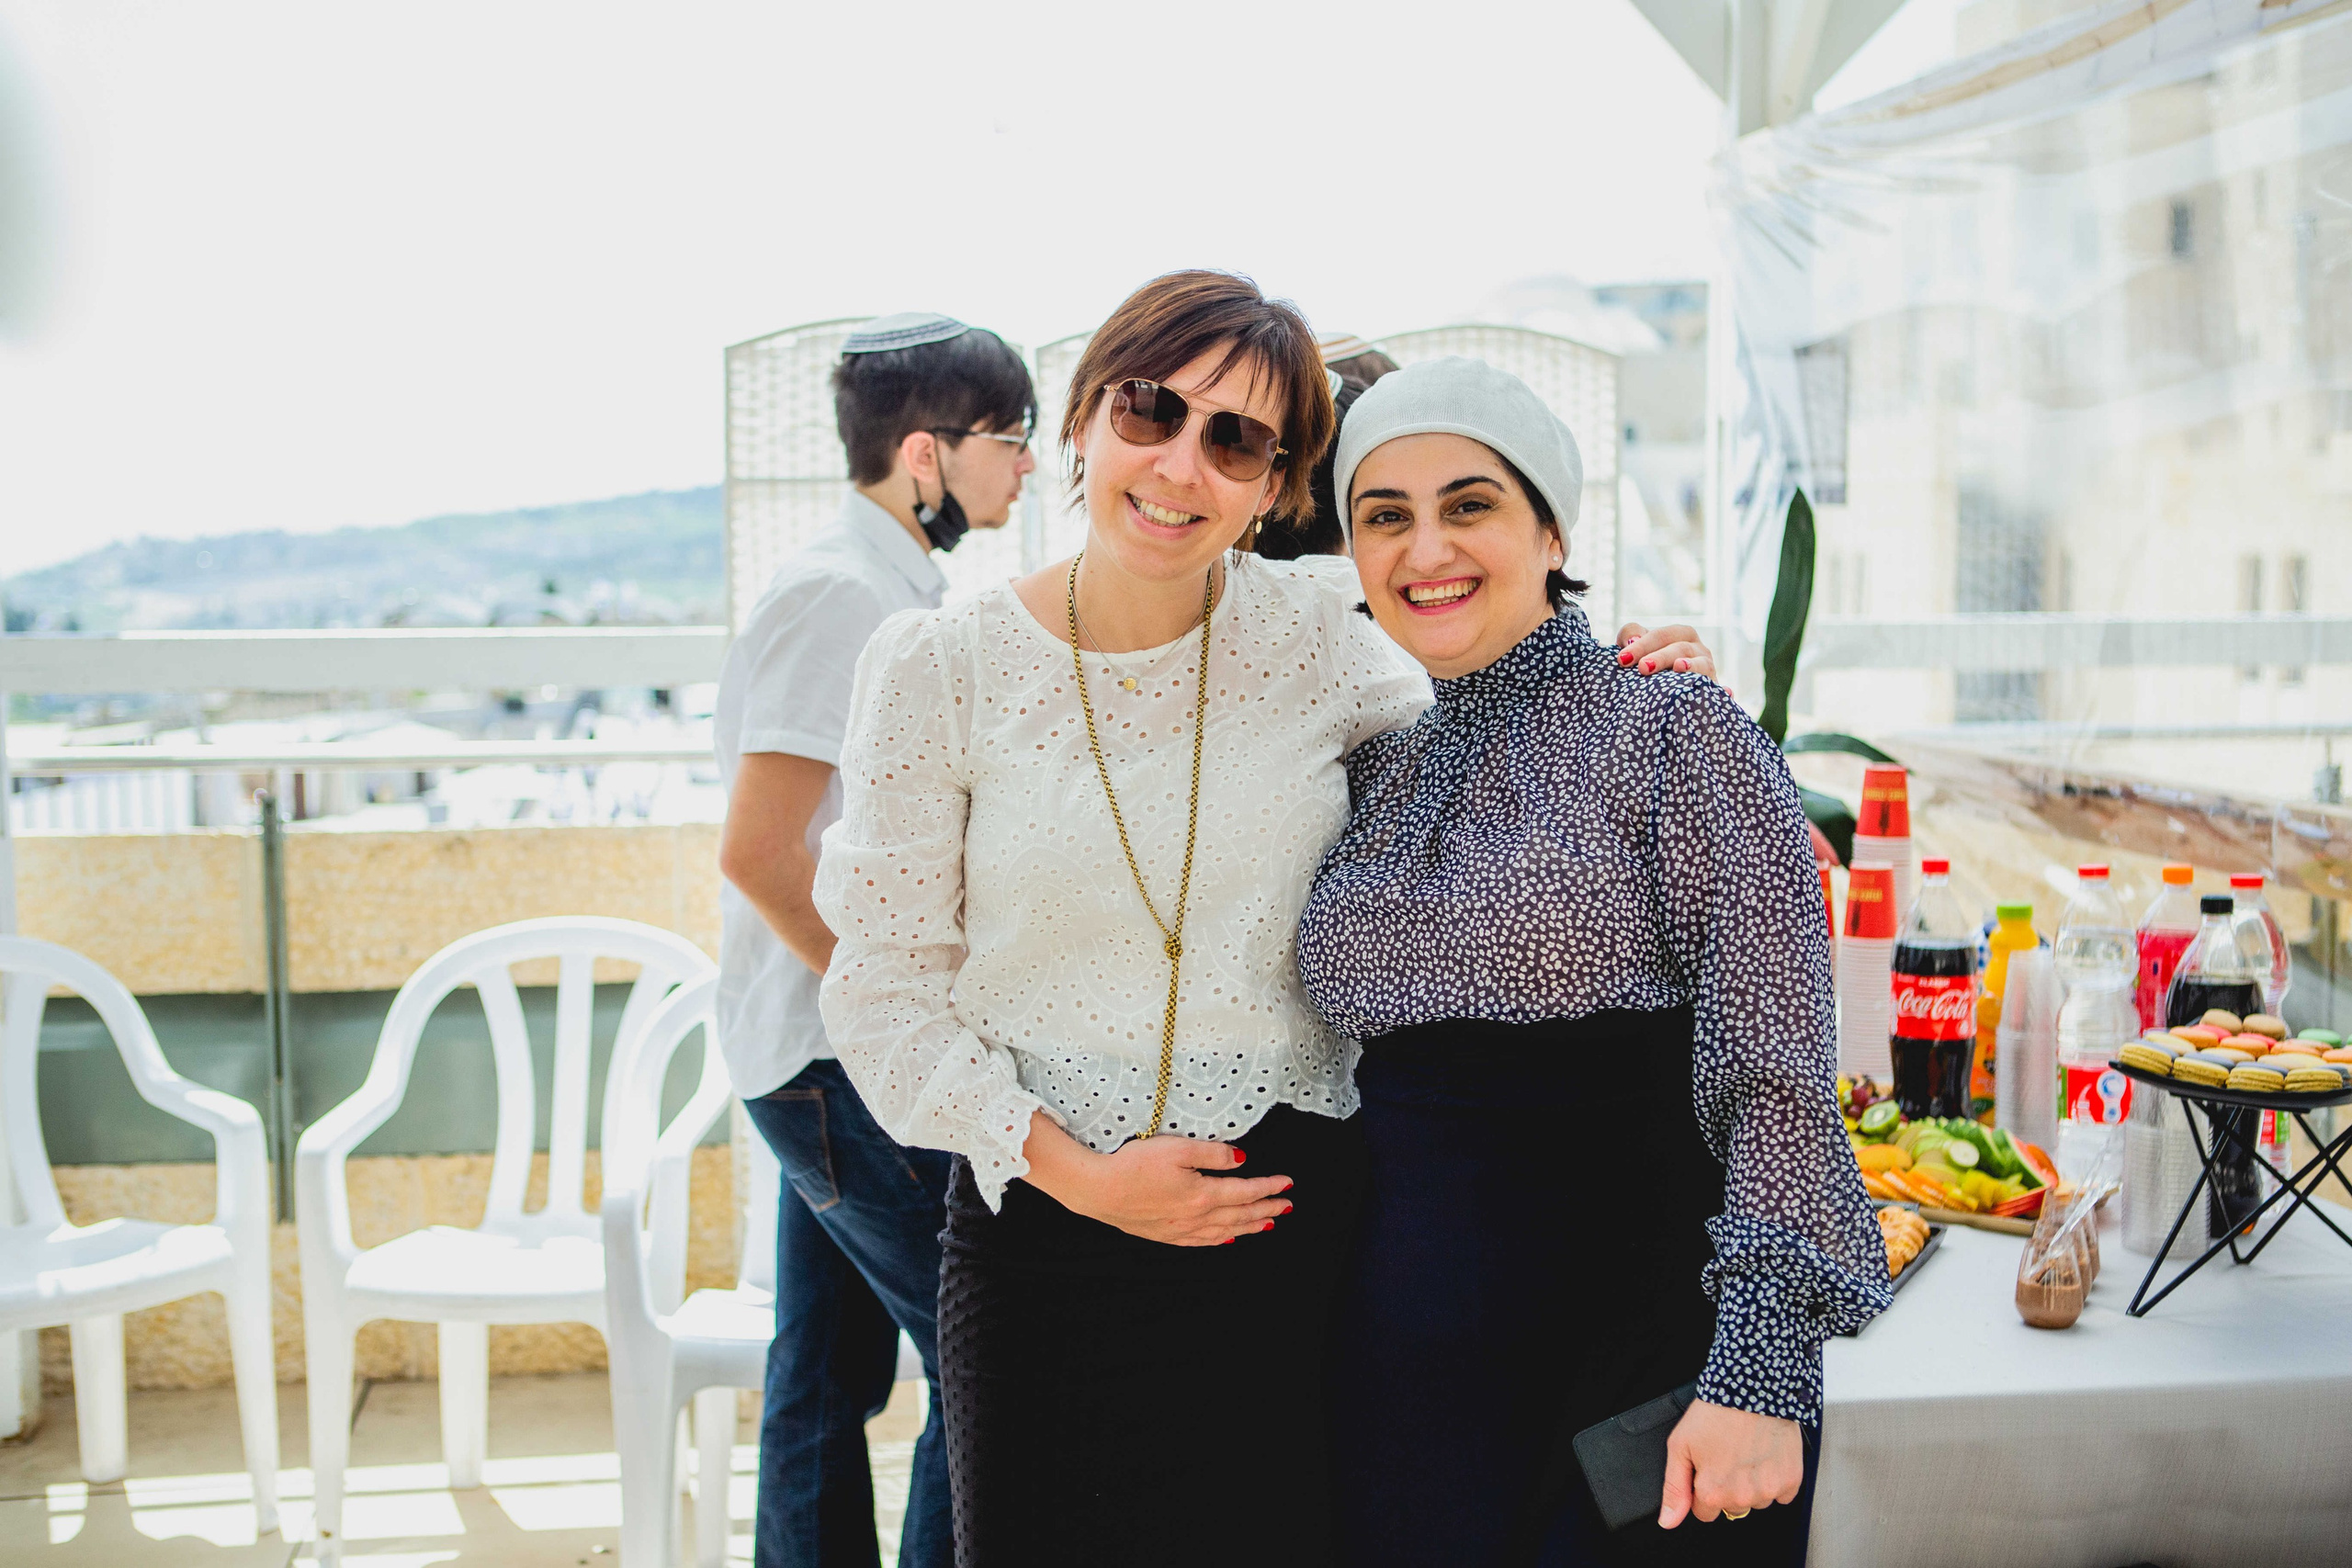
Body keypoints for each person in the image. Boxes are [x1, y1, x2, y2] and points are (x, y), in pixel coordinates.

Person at [811, 273, 1722, 1567]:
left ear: (1277, 485)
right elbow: (882, 997)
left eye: (1237, 440)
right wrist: (1084, 1176)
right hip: (1046, 1252)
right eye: (1152, 410)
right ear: (1083, 420)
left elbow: (1511, 721)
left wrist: (1648, 695)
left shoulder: (1321, 631)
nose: (1183, 463)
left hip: (1296, 1241)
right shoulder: (936, 667)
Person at [1295, 356, 1890, 1566]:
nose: (1426, 550)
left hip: (1637, 1366)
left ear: (1552, 526)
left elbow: (1772, 1062)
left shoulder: (1676, 727)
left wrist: (1761, 1379)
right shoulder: (1373, 767)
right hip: (1399, 1391)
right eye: (1384, 516)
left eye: (1470, 505)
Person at [714, 310, 1035, 1568]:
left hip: (817, 1051)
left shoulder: (884, 584)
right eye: (1006, 439)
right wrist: (892, 1012)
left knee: (822, 1379)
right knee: (983, 1357)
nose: (1022, 466)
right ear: (923, 454)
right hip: (837, 1061)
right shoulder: (841, 597)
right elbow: (758, 852)